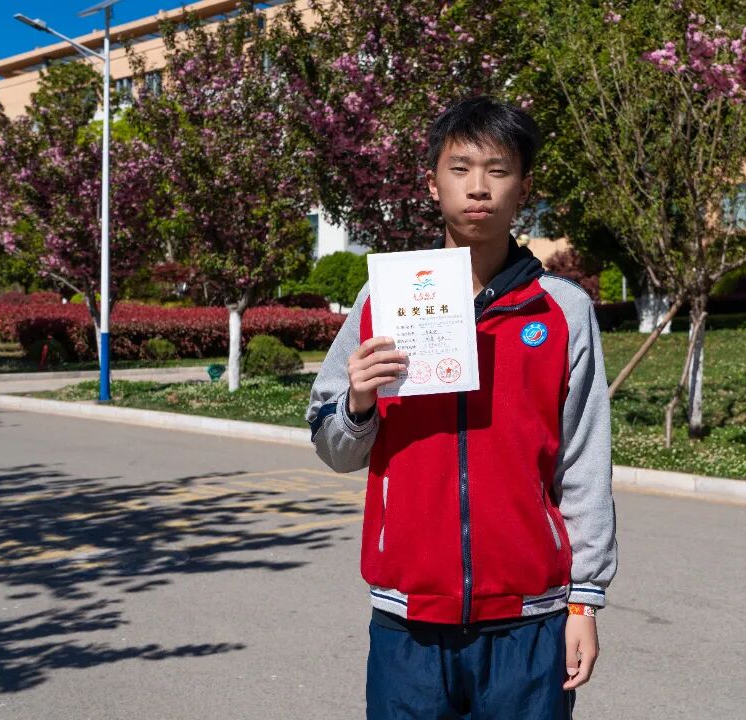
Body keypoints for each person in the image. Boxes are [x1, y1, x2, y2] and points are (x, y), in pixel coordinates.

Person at [306, 95, 617, 720]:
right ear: (433, 183)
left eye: (498, 170)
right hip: (408, 617)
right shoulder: (382, 301)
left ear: (523, 188)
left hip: (530, 616)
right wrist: (358, 402)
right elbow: (334, 449)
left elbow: (584, 462)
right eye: (461, 168)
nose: (479, 187)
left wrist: (583, 602)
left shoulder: (562, 310)